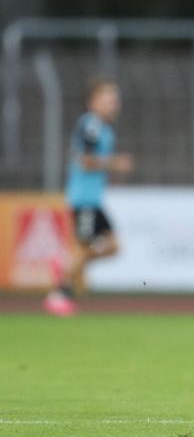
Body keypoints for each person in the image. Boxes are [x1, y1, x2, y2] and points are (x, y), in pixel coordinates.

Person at [44, 80, 133, 316]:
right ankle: (58, 294)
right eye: (107, 99)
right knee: (84, 248)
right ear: (92, 101)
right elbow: (85, 160)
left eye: (115, 100)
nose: (113, 104)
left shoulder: (105, 129)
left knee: (112, 246)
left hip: (94, 200)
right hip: (83, 199)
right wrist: (115, 163)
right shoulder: (91, 125)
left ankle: (67, 269)